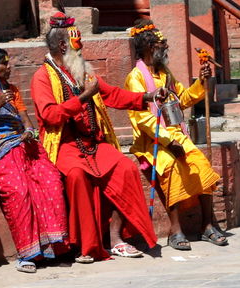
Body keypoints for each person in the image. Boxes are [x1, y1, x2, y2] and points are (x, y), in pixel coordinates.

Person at [30, 12, 165, 263]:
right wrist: (82, 98)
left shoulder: (80, 70)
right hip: (64, 146)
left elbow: (112, 94)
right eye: (75, 44)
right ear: (63, 46)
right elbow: (50, 116)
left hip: (93, 143)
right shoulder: (42, 77)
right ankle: (86, 247)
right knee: (77, 177)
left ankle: (116, 239)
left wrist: (148, 97)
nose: (80, 49)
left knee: (125, 168)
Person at [0, 47, 69, 273]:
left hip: (24, 144)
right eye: (4, 64)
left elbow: (24, 118)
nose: (9, 68)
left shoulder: (12, 90)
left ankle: (53, 248)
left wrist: (29, 130)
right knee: (20, 192)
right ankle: (27, 254)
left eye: (9, 63)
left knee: (51, 180)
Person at [125, 19, 228, 250]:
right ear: (150, 47)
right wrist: (168, 141)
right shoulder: (136, 77)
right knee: (170, 166)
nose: (166, 48)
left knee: (200, 163)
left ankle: (207, 226)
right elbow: (142, 119)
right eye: (162, 45)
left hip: (175, 134)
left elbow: (182, 100)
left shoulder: (166, 74)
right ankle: (175, 230)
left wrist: (202, 82)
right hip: (151, 141)